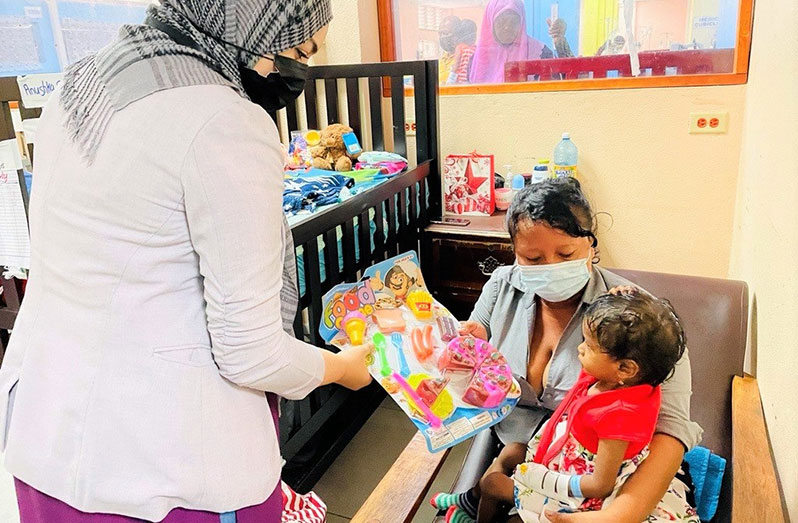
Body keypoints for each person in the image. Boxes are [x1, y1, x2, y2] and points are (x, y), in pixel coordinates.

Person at [0, 1, 373, 522]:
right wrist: (339, 368)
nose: (296, 73)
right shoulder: (224, 118)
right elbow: (249, 350)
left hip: (44, 435)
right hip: (161, 471)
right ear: (252, 25)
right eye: (297, 50)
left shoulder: (80, 85)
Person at [432, 178, 702, 523]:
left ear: (591, 245)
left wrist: (619, 515)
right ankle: (473, 502)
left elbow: (671, 428)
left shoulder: (632, 322)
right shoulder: (503, 285)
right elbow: (477, 334)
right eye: (532, 258)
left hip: (596, 465)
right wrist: (467, 342)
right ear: (515, 253)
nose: (550, 268)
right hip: (522, 453)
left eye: (566, 254)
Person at [451, 289, 698, 522]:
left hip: (581, 493)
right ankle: (472, 502)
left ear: (625, 367)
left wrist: (543, 480)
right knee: (512, 450)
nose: (580, 348)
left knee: (493, 485)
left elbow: (601, 485)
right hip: (564, 455)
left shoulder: (619, 416)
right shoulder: (611, 379)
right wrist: (611, 307)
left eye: (589, 346)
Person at [469, 0, 562, 84]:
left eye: (513, 21)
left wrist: (560, 41)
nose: (507, 27)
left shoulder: (541, 54)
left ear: (521, 23)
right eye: (501, 21)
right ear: (490, 22)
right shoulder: (476, 59)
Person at [447, 19, 477, 85]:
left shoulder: (460, 47)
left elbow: (456, 65)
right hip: (471, 79)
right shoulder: (475, 48)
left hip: (460, 81)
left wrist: (450, 81)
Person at [438, 15, 461, 84]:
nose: (442, 37)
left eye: (446, 33)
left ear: (457, 34)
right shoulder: (442, 59)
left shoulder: (464, 58)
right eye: (440, 34)